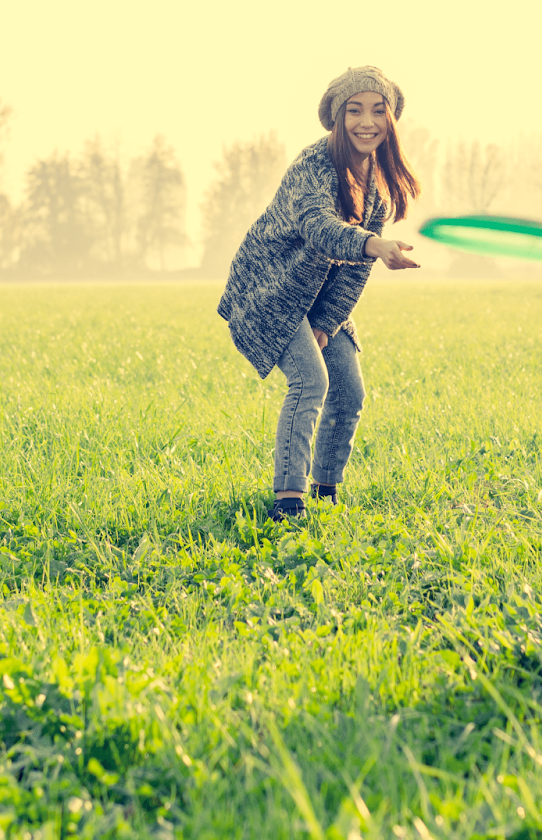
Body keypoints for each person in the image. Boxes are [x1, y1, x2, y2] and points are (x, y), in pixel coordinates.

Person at [217, 66, 421, 521]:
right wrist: (374, 244)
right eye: (354, 110)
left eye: (377, 110)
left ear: (391, 120)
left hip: (318, 300)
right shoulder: (313, 166)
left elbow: (352, 276)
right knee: (311, 381)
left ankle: (325, 490)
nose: (366, 122)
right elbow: (319, 228)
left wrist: (327, 323)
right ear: (336, 117)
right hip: (270, 292)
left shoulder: (377, 195)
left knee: (348, 390)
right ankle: (288, 501)